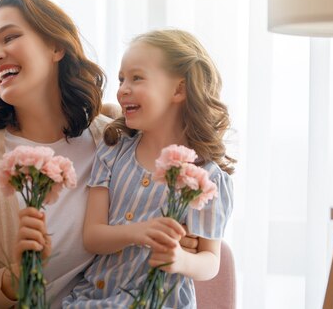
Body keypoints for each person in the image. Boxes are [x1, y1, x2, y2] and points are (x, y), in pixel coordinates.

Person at [0, 0, 197, 308]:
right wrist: (13, 280)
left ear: (56, 46)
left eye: (9, 37)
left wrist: (185, 237)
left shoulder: (114, 139)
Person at [63, 29, 234, 308]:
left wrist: (181, 260)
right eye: (121, 79)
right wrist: (139, 232)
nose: (122, 89)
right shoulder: (112, 152)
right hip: (95, 300)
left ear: (179, 89)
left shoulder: (209, 178)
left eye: (137, 77)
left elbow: (210, 262)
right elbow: (93, 237)